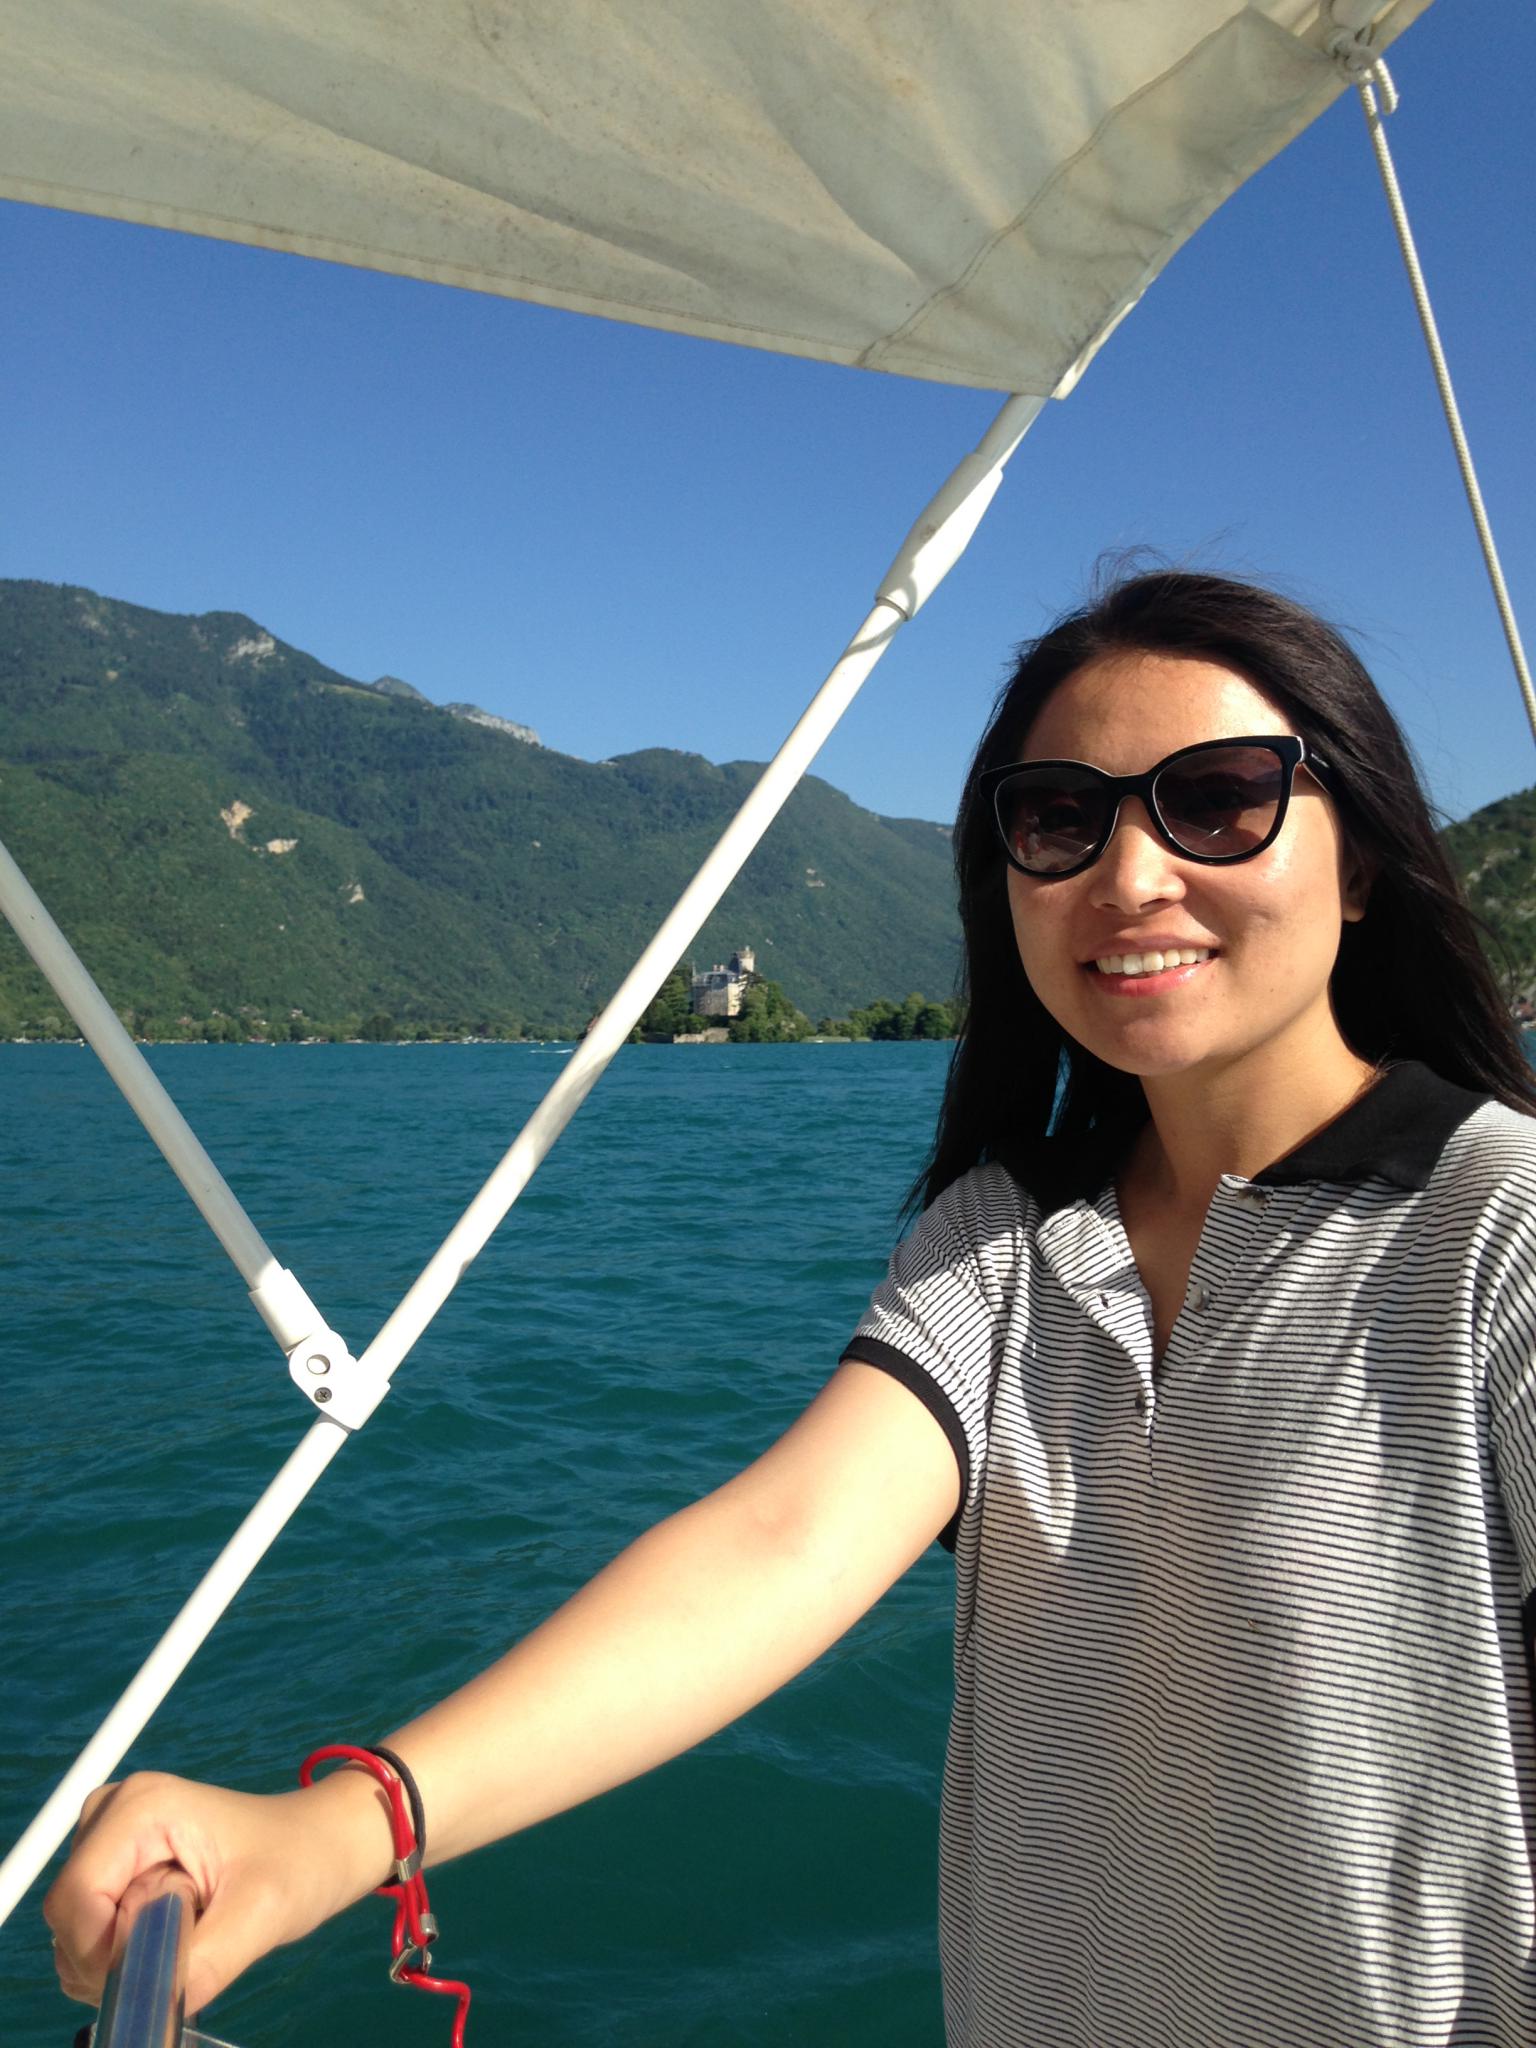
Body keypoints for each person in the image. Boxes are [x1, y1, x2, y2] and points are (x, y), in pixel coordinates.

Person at [47, 570, 1536, 2045]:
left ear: (1358, 858)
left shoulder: (1500, 1240)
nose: (1130, 874)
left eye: (1217, 800)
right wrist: (336, 1833)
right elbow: (786, 1540)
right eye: (1058, 819)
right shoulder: (1003, 1244)